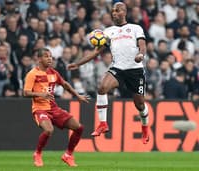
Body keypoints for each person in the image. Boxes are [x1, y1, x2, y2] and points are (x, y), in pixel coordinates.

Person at [68, 2, 149, 144]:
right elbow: (96, 52)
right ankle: (103, 123)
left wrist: (141, 56)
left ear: (124, 11)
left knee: (140, 104)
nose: (114, 13)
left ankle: (144, 126)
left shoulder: (135, 28)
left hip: (135, 70)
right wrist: (78, 63)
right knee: (102, 88)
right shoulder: (107, 31)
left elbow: (142, 46)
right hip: (117, 68)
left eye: (117, 10)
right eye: (113, 11)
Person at [23, 48, 89, 167]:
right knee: (49, 130)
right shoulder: (32, 74)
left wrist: (77, 96)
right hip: (40, 108)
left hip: (53, 108)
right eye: (46, 56)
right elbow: (26, 93)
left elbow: (65, 84)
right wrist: (40, 94)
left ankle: (68, 155)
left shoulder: (53, 73)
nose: (49, 59)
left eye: (51, 56)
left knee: (79, 128)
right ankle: (37, 154)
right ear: (39, 59)